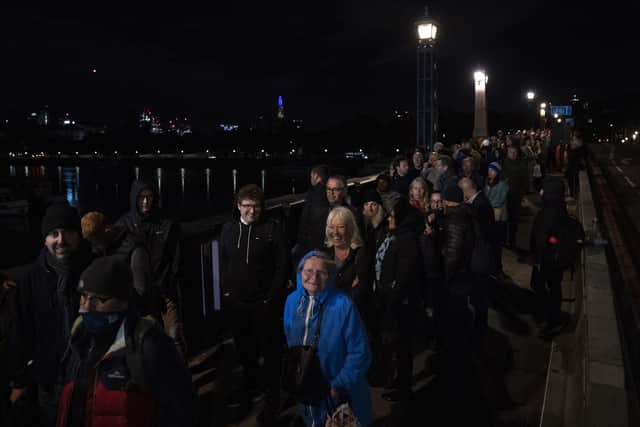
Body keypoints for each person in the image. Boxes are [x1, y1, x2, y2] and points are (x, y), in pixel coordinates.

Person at [56, 256, 196, 427]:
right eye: (83, 296)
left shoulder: (148, 344)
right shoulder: (78, 338)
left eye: (98, 299)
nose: (86, 306)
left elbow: (181, 410)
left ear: (122, 302)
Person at [8, 201, 93, 426]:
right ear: (45, 239)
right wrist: (19, 378)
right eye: (54, 234)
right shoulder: (30, 280)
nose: (61, 240)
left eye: (67, 233)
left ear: (78, 236)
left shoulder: (93, 271)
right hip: (49, 379)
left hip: (89, 375)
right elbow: (21, 330)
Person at [219, 184, 289, 422]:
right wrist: (227, 293)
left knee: (270, 353)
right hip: (237, 305)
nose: (251, 210)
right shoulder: (228, 230)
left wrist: (271, 297)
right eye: (246, 205)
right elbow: (223, 262)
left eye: (255, 206)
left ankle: (272, 398)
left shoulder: (273, 229)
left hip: (264, 304)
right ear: (238, 206)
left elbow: (282, 267)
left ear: (262, 207)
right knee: (245, 352)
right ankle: (249, 390)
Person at [283, 251, 372, 427]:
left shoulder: (343, 305)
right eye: (308, 271)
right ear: (300, 272)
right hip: (308, 391)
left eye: (321, 272)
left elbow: (360, 353)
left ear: (330, 276)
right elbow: (290, 338)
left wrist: (338, 385)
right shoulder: (292, 301)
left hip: (339, 395)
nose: (313, 277)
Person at [115, 179, 186, 357]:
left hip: (165, 289)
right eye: (141, 198)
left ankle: (180, 374)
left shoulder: (167, 223)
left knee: (174, 333)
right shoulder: (125, 224)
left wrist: (172, 278)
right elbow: (113, 253)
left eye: (149, 197)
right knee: (148, 337)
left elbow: (176, 255)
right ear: (134, 199)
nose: (146, 202)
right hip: (139, 295)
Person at [372, 196, 421, 402]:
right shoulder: (393, 234)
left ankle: (404, 386)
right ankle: (398, 380)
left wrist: (392, 298)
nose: (389, 219)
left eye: (392, 216)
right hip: (387, 299)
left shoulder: (407, 239)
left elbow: (403, 276)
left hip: (400, 303)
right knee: (395, 345)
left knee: (402, 345)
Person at [530, 178, 572, 339]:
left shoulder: (550, 212)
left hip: (547, 260)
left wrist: (538, 259)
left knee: (549, 287)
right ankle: (548, 317)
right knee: (551, 287)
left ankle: (550, 320)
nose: (540, 193)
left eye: (544, 190)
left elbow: (542, 237)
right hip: (549, 259)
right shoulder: (556, 207)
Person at [324, 206, 372, 324]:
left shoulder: (361, 254)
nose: (335, 232)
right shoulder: (324, 254)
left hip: (354, 318)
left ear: (350, 228)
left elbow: (361, 291)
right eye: (331, 227)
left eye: (341, 227)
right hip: (328, 317)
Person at [484, 162, 509, 278]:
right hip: (489, 218)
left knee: (497, 246)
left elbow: (497, 202)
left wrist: (485, 203)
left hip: (499, 220)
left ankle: (498, 269)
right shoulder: (486, 183)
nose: (490, 172)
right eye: (489, 170)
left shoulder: (502, 185)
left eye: (492, 170)